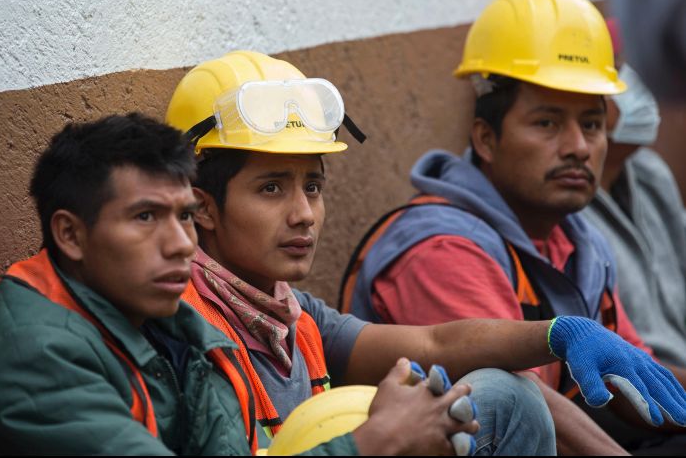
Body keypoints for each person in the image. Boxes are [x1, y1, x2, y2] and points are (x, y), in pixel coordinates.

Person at [166, 50, 686, 456]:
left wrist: (558, 334)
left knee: (506, 395)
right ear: (203, 207)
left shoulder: (292, 314)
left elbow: (436, 341)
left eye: (314, 187)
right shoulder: (181, 329)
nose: (303, 213)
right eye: (272, 189)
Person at [0, 114, 476, 455]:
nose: (180, 244)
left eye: (184, 216)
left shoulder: (178, 323)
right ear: (70, 234)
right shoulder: (35, 356)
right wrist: (373, 443)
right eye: (146, 218)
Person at [341, 0, 686, 455]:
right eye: (547, 123)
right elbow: (528, 408)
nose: (578, 147)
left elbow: (637, 380)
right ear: (485, 139)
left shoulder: (576, 238)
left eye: (590, 124)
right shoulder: (441, 248)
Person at [579, 22, 686, 452]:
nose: (637, 88)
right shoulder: (559, 209)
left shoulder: (649, 172)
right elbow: (618, 374)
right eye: (621, 72)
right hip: (642, 415)